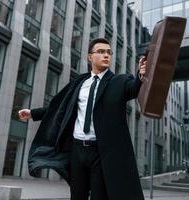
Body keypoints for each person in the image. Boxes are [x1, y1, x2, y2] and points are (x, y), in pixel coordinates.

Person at [18, 38, 146, 200]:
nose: (106, 55)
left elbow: (133, 87)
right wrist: (33, 113)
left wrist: (140, 75)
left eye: (109, 52)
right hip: (77, 150)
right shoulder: (80, 83)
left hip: (100, 152)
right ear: (89, 57)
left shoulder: (119, 82)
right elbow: (60, 109)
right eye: (101, 52)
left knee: (100, 196)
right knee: (77, 195)